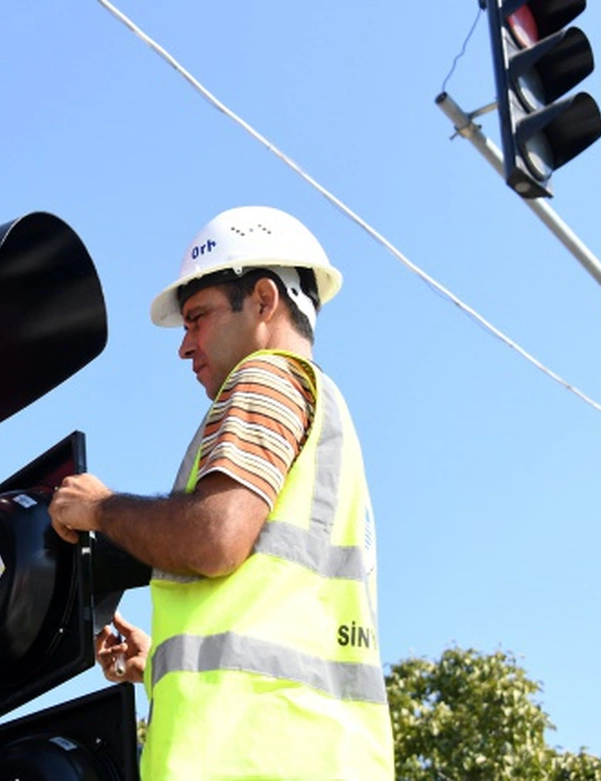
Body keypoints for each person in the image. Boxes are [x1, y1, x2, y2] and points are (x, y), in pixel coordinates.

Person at [49, 206, 395, 780]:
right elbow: (276, 613)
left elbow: (216, 537)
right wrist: (160, 662)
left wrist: (100, 508)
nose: (184, 346)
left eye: (197, 318)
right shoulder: (323, 409)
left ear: (263, 301)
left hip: (250, 756)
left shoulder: (265, 376)